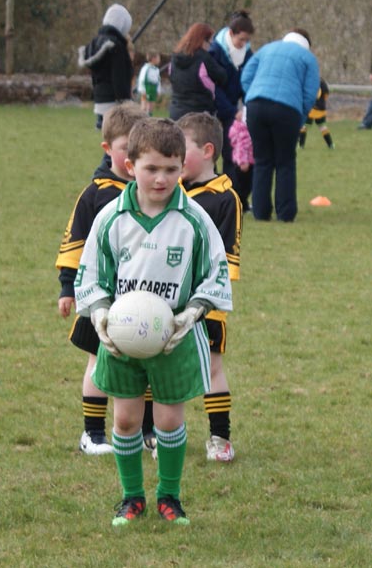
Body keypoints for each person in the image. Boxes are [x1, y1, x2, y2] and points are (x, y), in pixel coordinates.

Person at [74, 117, 233, 526]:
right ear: (129, 165)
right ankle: (131, 498)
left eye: (171, 169)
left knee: (168, 420)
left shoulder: (194, 220)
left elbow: (216, 272)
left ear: (183, 167)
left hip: (173, 340)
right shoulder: (111, 217)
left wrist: (194, 310)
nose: (161, 179)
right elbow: (90, 273)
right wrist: (101, 312)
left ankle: (170, 496)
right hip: (123, 340)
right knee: (125, 419)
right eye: (151, 168)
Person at [55, 102, 156, 456]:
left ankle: (147, 432)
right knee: (99, 360)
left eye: (138, 150)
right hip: (101, 294)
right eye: (124, 149)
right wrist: (68, 287)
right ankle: (93, 434)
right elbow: (75, 240)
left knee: (146, 360)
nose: (131, 157)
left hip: (143, 295)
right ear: (107, 149)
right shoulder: (96, 193)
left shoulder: (153, 193)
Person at [177, 112, 242, 462]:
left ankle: (220, 438)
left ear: (207, 150)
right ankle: (160, 435)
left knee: (212, 368)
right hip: (169, 298)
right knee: (164, 366)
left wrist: (204, 295)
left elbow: (227, 257)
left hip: (208, 301)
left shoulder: (224, 198)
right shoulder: (173, 191)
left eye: (180, 149)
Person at [241, 28, 320, 222]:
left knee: (262, 160)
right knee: (285, 162)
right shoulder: (308, 59)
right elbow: (310, 93)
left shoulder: (267, 49)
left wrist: (253, 94)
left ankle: (260, 211)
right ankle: (285, 213)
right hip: (287, 109)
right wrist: (300, 117)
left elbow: (245, 76)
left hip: (256, 105)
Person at [209, 10, 255, 210]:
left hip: (236, 111)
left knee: (236, 154)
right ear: (231, 33)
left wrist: (245, 107)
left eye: (246, 40)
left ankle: (237, 199)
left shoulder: (249, 54)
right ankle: (224, 198)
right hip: (217, 108)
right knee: (219, 154)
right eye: (240, 39)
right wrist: (229, 110)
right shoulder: (216, 51)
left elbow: (248, 82)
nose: (242, 44)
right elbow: (213, 86)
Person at [78, 3, 133, 129]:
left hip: (100, 99)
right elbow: (119, 76)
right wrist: (125, 103)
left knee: (108, 138)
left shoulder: (95, 43)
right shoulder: (116, 46)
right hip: (114, 102)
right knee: (118, 140)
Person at [169, 22, 227, 121]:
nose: (210, 46)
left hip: (176, 112)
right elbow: (223, 77)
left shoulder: (174, 58)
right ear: (203, 41)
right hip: (199, 114)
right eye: (210, 42)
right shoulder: (204, 58)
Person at [299, 78, 335, 149]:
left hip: (312, 109)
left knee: (304, 127)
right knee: (322, 127)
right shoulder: (323, 82)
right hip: (321, 109)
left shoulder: (310, 81)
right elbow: (326, 95)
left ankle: (301, 146)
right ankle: (330, 145)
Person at [228, 106, 254, 178]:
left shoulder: (238, 129)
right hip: (246, 163)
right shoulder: (244, 131)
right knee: (244, 186)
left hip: (240, 161)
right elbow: (241, 146)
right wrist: (243, 162)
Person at [137, 51, 162, 115]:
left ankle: (149, 119)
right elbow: (141, 80)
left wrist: (158, 91)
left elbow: (158, 81)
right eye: (158, 57)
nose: (159, 59)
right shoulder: (145, 68)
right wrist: (143, 90)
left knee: (151, 107)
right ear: (153, 58)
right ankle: (142, 120)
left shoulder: (156, 70)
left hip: (153, 89)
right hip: (146, 88)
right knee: (144, 106)